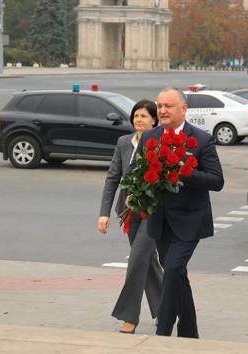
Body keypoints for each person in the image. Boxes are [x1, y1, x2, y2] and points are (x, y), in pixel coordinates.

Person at [129, 87, 224, 338]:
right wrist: (136, 191)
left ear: (184, 109)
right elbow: (134, 175)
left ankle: (163, 332)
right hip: (160, 222)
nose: (162, 111)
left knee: (172, 269)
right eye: (159, 106)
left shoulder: (202, 140)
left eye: (168, 106)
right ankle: (189, 333)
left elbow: (216, 180)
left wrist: (183, 170)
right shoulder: (150, 137)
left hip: (190, 221)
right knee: (177, 274)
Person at [98, 99, 163, 334]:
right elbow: (112, 178)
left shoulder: (160, 143)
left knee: (137, 259)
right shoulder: (124, 142)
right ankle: (166, 307)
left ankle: (129, 317)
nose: (138, 119)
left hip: (152, 212)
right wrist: (104, 213)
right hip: (128, 212)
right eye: (136, 115)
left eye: (144, 116)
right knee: (149, 263)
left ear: (154, 120)